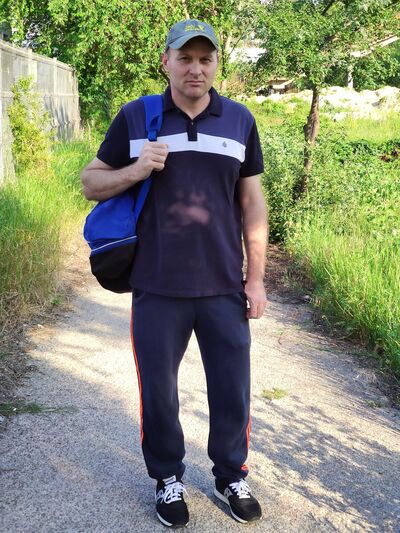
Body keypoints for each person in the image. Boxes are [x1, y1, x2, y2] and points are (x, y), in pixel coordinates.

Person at [81, 19, 268, 528]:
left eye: (206, 59)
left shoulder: (239, 120)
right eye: (185, 58)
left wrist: (256, 279)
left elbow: (252, 203)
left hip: (224, 285)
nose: (195, 69)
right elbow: (91, 182)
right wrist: (137, 168)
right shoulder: (136, 116)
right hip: (157, 284)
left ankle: (231, 474)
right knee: (158, 392)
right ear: (166, 61)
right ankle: (167, 477)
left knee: (232, 389)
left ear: (217, 64)